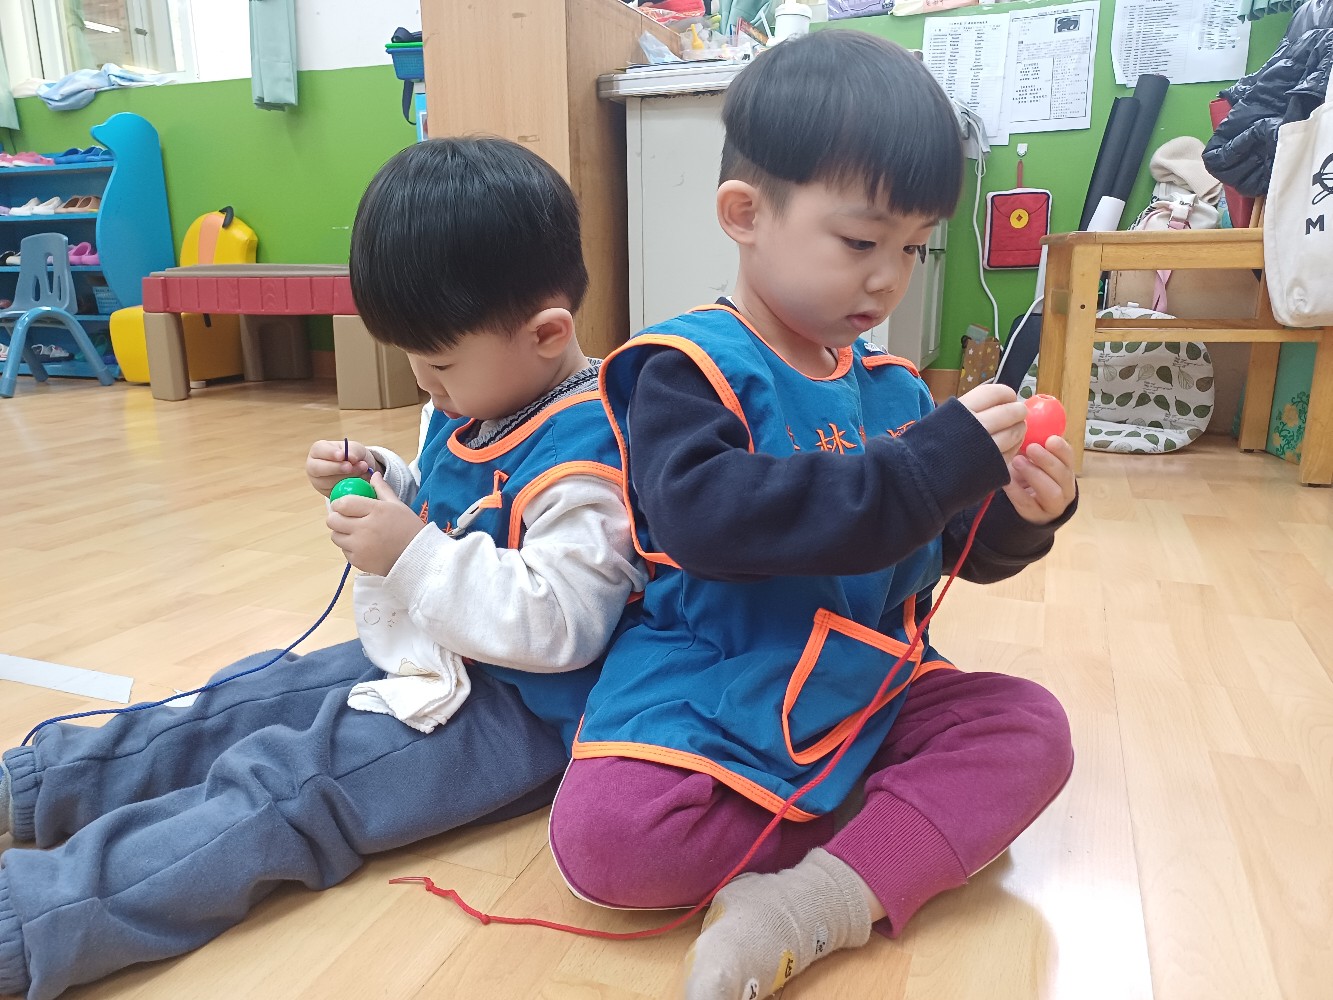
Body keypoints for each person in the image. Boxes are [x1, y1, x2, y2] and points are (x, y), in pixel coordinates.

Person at [0, 137, 645, 1000]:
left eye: (438, 363)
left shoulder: (592, 462)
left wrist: (409, 550)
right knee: (243, 699)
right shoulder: (488, 391)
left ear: (547, 334)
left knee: (287, 788)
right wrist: (388, 484)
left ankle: (36, 917)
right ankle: (38, 784)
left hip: (514, 714)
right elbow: (465, 508)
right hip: (433, 652)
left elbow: (561, 625)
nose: (425, 384)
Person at [546, 31, 1078, 1000]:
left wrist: (1016, 515)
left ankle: (810, 902)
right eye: (861, 242)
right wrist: (926, 468)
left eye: (913, 247)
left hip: (867, 682)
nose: (888, 277)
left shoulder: (895, 386)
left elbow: (939, 546)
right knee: (609, 846)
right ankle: (893, 828)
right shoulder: (684, 367)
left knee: (1029, 729)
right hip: (715, 679)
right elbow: (707, 522)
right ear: (745, 215)